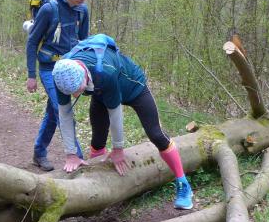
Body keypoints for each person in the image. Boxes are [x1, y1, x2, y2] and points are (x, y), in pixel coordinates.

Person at [50, 35, 194, 210]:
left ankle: (183, 183)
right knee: (97, 141)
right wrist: (71, 153)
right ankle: (98, 189)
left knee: (156, 135)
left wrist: (118, 149)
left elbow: (115, 114)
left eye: (77, 90)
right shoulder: (61, 74)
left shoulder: (105, 72)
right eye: (72, 93)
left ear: (84, 75)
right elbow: (64, 114)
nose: (74, 95)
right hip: (100, 92)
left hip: (134, 88)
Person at [25, 0, 92, 172]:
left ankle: (39, 152)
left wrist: (85, 72)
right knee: (63, 109)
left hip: (71, 70)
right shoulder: (49, 10)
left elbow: (83, 43)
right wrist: (31, 75)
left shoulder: (83, 11)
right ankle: (77, 158)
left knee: (54, 112)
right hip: (49, 68)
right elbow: (32, 42)